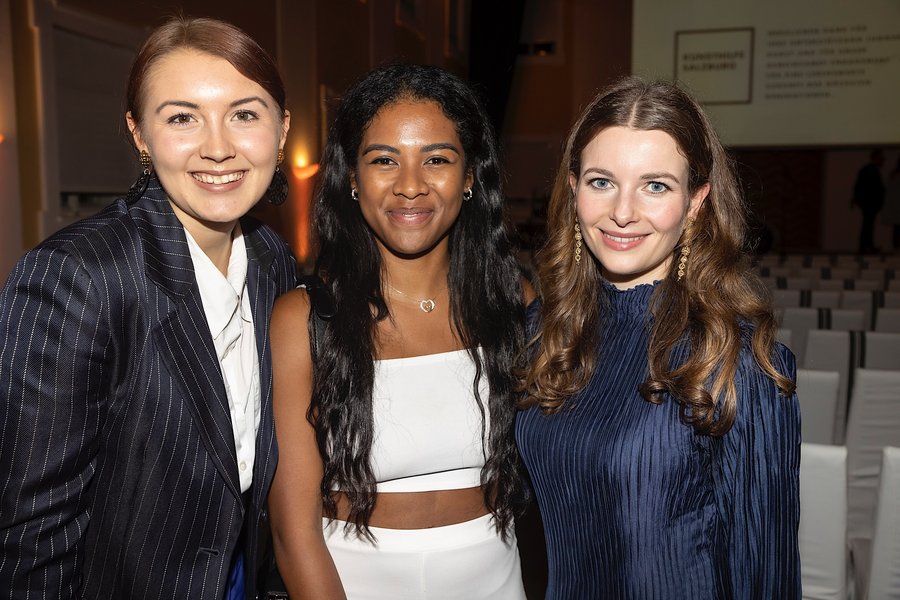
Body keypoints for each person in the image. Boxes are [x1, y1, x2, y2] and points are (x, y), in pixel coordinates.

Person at [0, 16, 296, 599]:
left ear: (282, 129)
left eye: (245, 114)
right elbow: (30, 533)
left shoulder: (272, 260)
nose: (218, 147)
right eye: (182, 117)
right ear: (139, 134)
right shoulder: (76, 277)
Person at [517, 77, 801, 599]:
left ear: (696, 202)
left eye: (655, 186)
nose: (623, 212)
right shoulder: (542, 334)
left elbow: (766, 572)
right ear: (574, 186)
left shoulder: (738, 363)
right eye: (602, 182)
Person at [268, 64, 533, 599]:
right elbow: (293, 533)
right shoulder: (303, 318)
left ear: (470, 177)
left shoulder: (515, 303)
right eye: (383, 160)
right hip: (350, 579)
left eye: (437, 159)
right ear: (351, 177)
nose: (410, 186)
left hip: (495, 576)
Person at [853, 148, 886, 253]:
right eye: (881, 158)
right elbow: (861, 187)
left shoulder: (869, 170)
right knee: (868, 225)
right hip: (869, 203)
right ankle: (865, 247)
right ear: (876, 158)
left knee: (868, 224)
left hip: (869, 203)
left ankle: (866, 246)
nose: (883, 161)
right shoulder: (869, 170)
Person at [881, 155, 900, 250]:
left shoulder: (894, 176)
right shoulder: (895, 176)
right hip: (896, 207)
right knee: (897, 228)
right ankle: (896, 247)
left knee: (897, 228)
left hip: (895, 207)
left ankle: (896, 247)